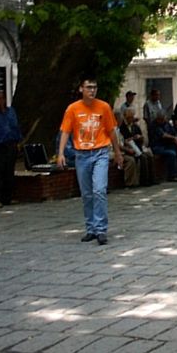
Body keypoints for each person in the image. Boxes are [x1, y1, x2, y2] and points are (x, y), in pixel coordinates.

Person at [57, 77, 123, 245]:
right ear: (81, 89)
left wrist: (117, 152)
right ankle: (91, 228)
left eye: (94, 87)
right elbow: (65, 131)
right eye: (88, 87)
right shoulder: (73, 109)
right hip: (82, 154)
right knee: (86, 194)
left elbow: (112, 131)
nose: (92, 90)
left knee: (99, 190)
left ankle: (101, 229)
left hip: (100, 152)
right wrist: (61, 153)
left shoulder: (104, 107)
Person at [120, 108, 156, 186]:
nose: (131, 119)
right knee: (143, 158)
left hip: (137, 147)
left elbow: (141, 137)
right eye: (130, 117)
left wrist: (140, 138)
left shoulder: (135, 126)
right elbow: (123, 141)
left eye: (132, 117)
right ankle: (144, 181)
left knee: (149, 155)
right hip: (129, 148)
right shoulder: (122, 127)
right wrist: (133, 138)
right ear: (125, 117)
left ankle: (152, 179)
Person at [149, 111, 177, 181]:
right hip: (158, 146)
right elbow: (163, 135)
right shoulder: (153, 125)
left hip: (168, 145)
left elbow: (173, 133)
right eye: (161, 119)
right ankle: (172, 176)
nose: (163, 121)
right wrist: (174, 138)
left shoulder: (166, 123)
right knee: (172, 153)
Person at [114, 111, 140, 188]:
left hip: (122, 151)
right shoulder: (114, 130)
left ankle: (135, 181)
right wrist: (128, 150)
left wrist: (129, 145)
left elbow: (123, 141)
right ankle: (128, 183)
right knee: (130, 160)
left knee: (137, 157)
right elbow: (117, 144)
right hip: (115, 152)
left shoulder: (119, 129)